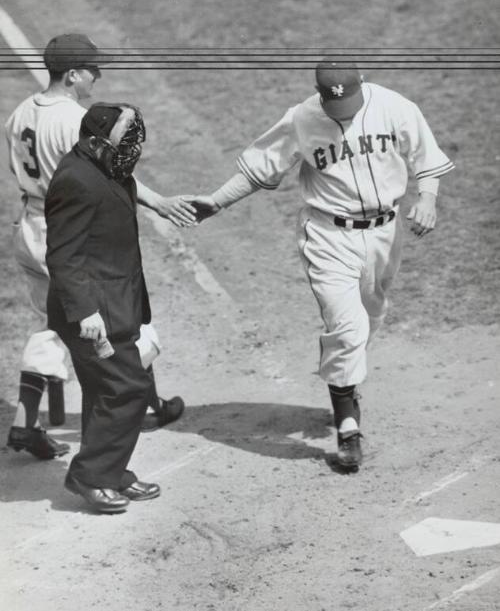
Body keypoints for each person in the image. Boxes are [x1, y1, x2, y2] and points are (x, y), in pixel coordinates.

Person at [190, 59, 455, 470]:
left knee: (371, 318)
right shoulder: (303, 117)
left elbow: (425, 155)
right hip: (328, 235)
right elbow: (264, 164)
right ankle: (347, 424)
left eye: (348, 104)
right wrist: (218, 199)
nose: (343, 114)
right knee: (347, 328)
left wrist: (428, 197)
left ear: (361, 84)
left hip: (386, 234)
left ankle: (344, 381)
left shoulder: (394, 106)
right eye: (335, 108)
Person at [5, 33, 194, 459]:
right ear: (72, 74)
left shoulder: (19, 114)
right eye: (91, 69)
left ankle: (25, 422)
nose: (97, 75)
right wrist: (160, 202)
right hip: (70, 236)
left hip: (29, 228)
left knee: (52, 324)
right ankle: (139, 403)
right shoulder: (75, 120)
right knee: (124, 325)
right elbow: (112, 174)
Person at [45, 101, 165, 512]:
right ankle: (91, 477)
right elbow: (63, 256)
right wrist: (85, 313)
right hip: (92, 313)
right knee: (128, 387)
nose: (132, 152)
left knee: (105, 391)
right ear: (96, 142)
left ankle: (110, 472)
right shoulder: (76, 180)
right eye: (124, 144)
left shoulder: (107, 168)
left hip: (116, 303)